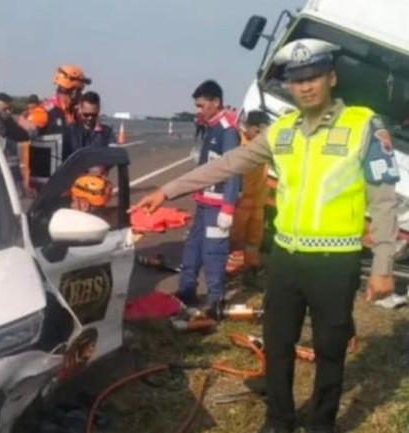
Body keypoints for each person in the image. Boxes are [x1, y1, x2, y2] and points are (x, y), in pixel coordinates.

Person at [133, 38, 399, 433]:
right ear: (290, 85)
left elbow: (384, 202)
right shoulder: (281, 132)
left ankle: (322, 423)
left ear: (331, 78)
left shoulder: (363, 125)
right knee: (277, 344)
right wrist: (168, 190)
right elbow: (226, 165)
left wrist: (383, 266)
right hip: (287, 260)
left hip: (336, 263)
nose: (306, 86)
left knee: (330, 350)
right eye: (297, 79)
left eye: (314, 77)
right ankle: (279, 421)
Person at [174, 80, 241, 309]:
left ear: (216, 102)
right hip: (203, 202)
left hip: (217, 206)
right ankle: (186, 291)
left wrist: (228, 208)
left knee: (214, 253)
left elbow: (233, 169)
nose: (198, 111)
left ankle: (215, 301)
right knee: (192, 248)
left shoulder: (227, 130)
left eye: (202, 106)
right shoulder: (211, 126)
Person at [227, 110, 271, 288]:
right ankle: (228, 273)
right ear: (250, 128)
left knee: (254, 240)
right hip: (240, 204)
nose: (261, 136)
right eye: (258, 132)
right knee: (234, 240)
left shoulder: (264, 147)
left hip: (258, 203)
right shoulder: (237, 145)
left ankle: (251, 271)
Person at [64, 91, 114, 161]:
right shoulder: (70, 131)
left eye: (94, 115)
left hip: (98, 171)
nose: (90, 118)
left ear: (99, 109)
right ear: (80, 109)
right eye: (86, 114)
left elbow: (113, 156)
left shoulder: (107, 132)